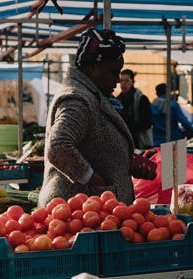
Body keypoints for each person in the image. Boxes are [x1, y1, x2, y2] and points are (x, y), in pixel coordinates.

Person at [38, 28, 134, 207]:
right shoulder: (77, 98)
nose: (117, 80)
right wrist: (95, 181)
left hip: (90, 209)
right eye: (113, 72)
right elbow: (59, 148)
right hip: (77, 211)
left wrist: (127, 161)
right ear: (93, 67)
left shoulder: (90, 93)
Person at [118, 69, 153, 149]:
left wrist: (131, 128)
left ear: (132, 82)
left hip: (140, 142)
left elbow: (148, 122)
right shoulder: (118, 100)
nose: (123, 83)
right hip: (123, 142)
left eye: (126, 81)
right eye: (121, 80)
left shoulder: (141, 99)